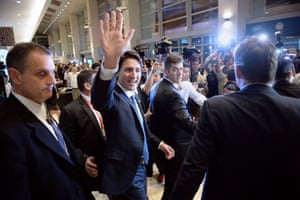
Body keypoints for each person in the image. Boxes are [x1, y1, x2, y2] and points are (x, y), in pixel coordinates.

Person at [169, 36, 300, 200]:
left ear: (238, 71)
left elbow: (193, 170)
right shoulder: (296, 110)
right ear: (274, 72)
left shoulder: (216, 109)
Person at [91, 11, 175, 199]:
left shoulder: (134, 95)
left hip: (141, 167)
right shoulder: (114, 96)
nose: (134, 75)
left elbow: (141, 130)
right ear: (118, 73)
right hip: (124, 173)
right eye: (128, 70)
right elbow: (100, 99)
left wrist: (159, 144)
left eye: (137, 70)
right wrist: (110, 61)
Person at [0, 42, 98, 200]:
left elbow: (57, 146)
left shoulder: (39, 106)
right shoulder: (7, 132)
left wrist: (81, 160)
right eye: (42, 74)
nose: (53, 80)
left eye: (52, 72)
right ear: (16, 76)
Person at [149, 54, 197, 200]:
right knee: (177, 189)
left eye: (181, 69)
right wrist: (207, 130)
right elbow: (187, 123)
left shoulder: (158, 86)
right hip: (176, 147)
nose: (180, 72)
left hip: (165, 142)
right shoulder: (172, 94)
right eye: (175, 69)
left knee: (171, 187)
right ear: (166, 71)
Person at [60, 69, 107, 191]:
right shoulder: (71, 110)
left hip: (111, 162)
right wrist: (83, 159)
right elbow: (69, 143)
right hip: (94, 164)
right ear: (87, 86)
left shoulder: (105, 102)